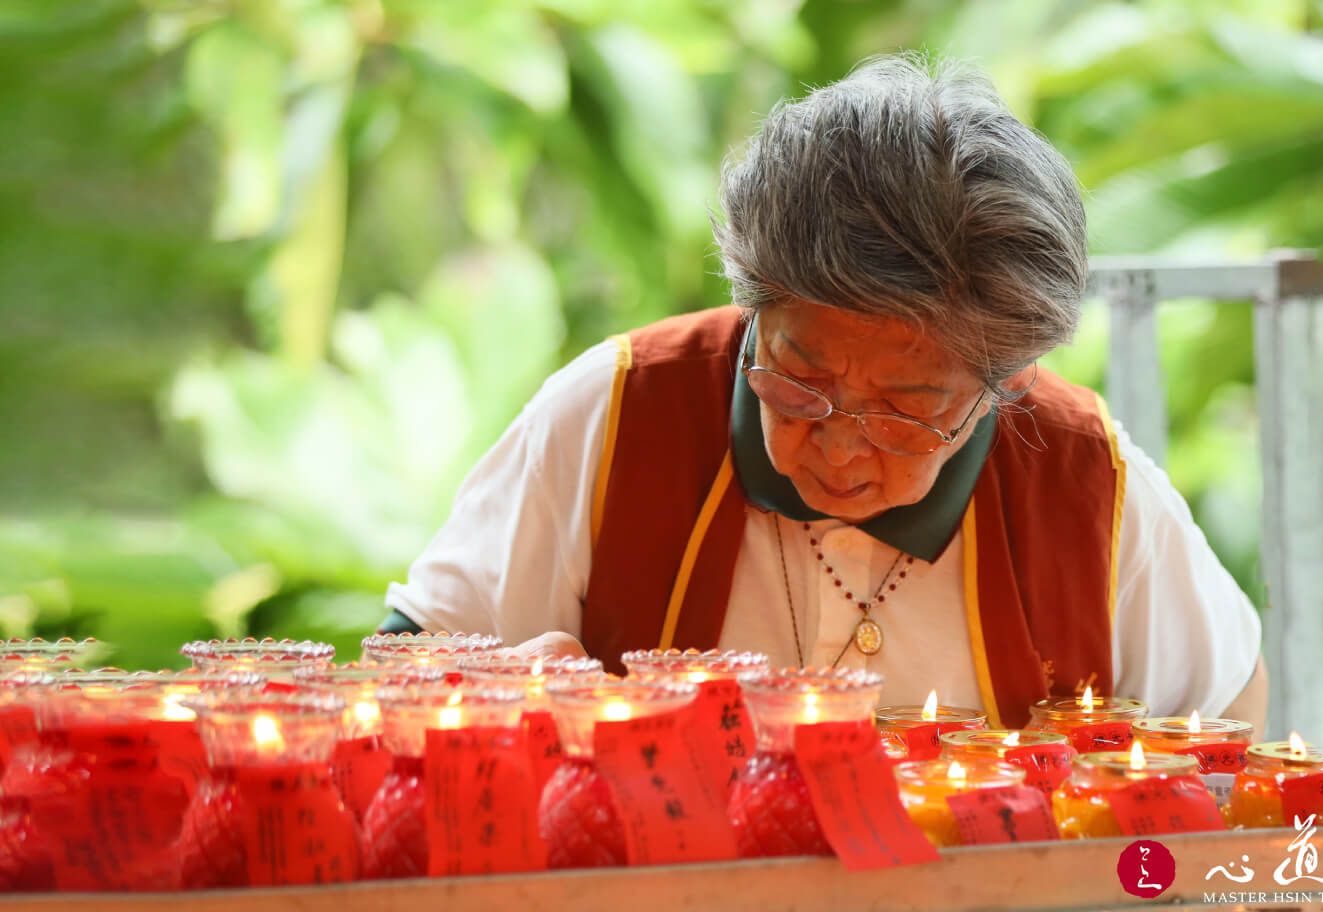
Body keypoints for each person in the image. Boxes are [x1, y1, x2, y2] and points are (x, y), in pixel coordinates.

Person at [379, 53, 1266, 734]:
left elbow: (1233, 727)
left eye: (908, 412)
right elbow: (391, 687)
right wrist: (491, 705)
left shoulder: (1087, 481)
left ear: (1006, 384)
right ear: (751, 308)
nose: (839, 446)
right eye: (800, 383)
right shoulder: (620, 411)